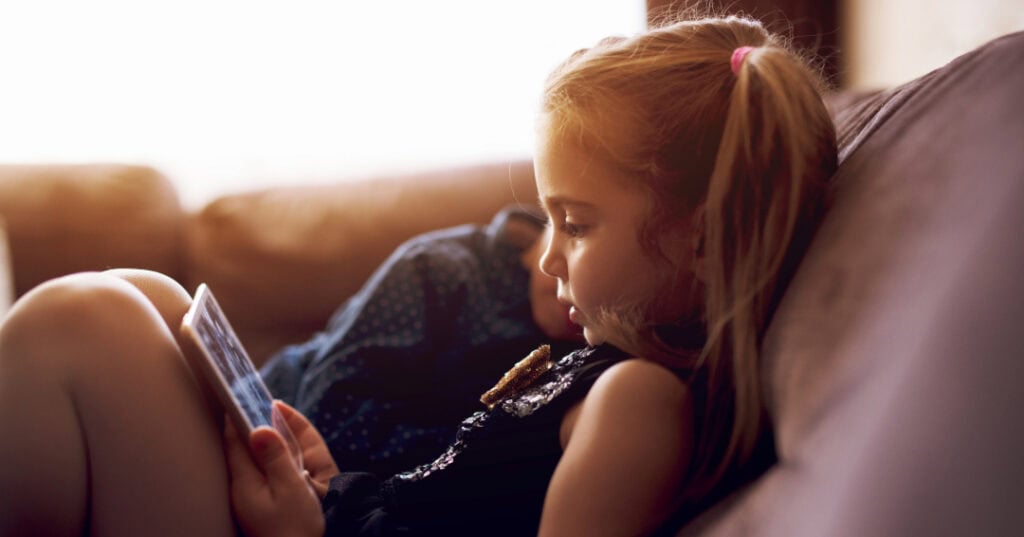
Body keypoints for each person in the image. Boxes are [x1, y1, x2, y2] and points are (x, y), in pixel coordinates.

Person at [0, 13, 837, 537]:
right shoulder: (597, 376)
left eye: (577, 224)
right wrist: (337, 488)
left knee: (90, 319)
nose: (545, 255)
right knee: (150, 298)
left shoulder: (641, 406)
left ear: (703, 238)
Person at [260, 205, 584, 476]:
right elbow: (332, 418)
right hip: (278, 416)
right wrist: (491, 447)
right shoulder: (437, 270)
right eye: (575, 233)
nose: (577, 295)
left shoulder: (600, 347)